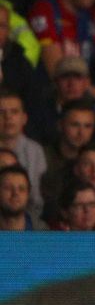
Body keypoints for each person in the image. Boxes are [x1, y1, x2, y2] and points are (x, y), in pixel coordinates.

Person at [0, 89, 46, 219]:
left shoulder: (35, 151)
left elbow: (36, 199)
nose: (8, 117)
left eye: (14, 112)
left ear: (24, 118)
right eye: (1, 112)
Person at [0, 164, 48, 230]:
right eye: (8, 188)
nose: (15, 193)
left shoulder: (43, 233)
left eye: (21, 189)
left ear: (28, 194)